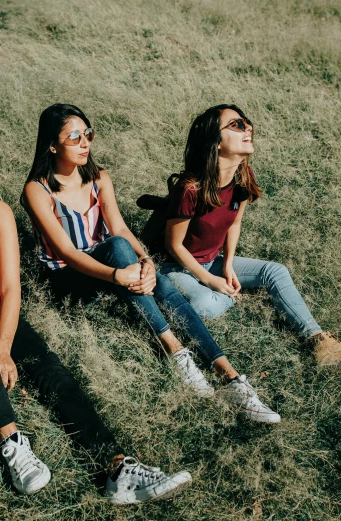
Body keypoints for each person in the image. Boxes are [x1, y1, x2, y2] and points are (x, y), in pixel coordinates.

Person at [0, 127, 192, 504]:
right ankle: (11, 440)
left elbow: (10, 289)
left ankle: (117, 468)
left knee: (50, 368)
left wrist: (3, 348)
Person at [21, 104, 281, 424]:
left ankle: (229, 376)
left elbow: (118, 228)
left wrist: (144, 261)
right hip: (69, 277)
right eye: (74, 136)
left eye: (88, 133)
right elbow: (67, 252)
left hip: (114, 264)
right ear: (52, 144)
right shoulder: (37, 189)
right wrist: (119, 275)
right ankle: (175, 350)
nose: (85, 142)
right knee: (118, 249)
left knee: (156, 277)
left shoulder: (99, 178)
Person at [159, 104, 341, 367]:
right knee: (206, 306)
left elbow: (234, 223)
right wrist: (210, 280)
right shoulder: (191, 188)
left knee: (275, 272)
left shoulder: (243, 176)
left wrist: (228, 265)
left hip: (213, 261)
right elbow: (173, 246)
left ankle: (321, 343)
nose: (248, 127)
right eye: (237, 125)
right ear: (215, 141)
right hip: (177, 266)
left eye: (247, 122)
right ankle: (224, 296)